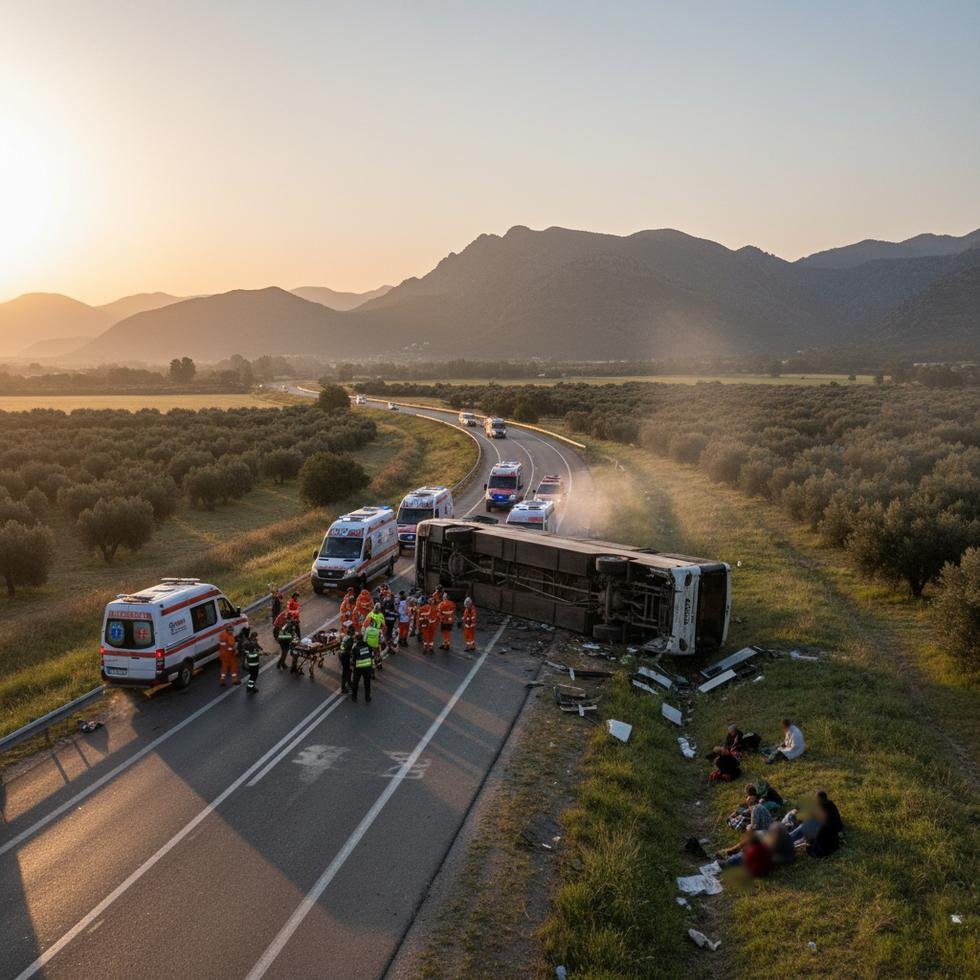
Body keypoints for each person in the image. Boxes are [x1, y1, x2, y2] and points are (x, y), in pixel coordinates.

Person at [718, 788, 772, 863]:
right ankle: (731, 852)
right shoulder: (759, 807)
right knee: (749, 837)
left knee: (749, 836)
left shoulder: (755, 810)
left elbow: (753, 828)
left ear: (749, 805)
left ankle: (730, 854)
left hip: (766, 834)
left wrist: (748, 827)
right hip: (767, 831)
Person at [350, 633, 374, 703]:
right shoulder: (368, 646)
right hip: (367, 668)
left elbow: (353, 659)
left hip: (359, 668)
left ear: (357, 640)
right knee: (367, 683)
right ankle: (367, 697)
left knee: (355, 683)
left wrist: (352, 666)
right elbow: (370, 654)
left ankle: (354, 697)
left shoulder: (355, 648)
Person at [338, 623, 356, 694]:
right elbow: (351, 650)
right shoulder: (350, 639)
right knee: (346, 672)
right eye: (354, 632)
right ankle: (343, 688)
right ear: (352, 632)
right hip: (345, 656)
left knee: (348, 671)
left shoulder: (345, 637)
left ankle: (349, 683)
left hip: (341, 655)